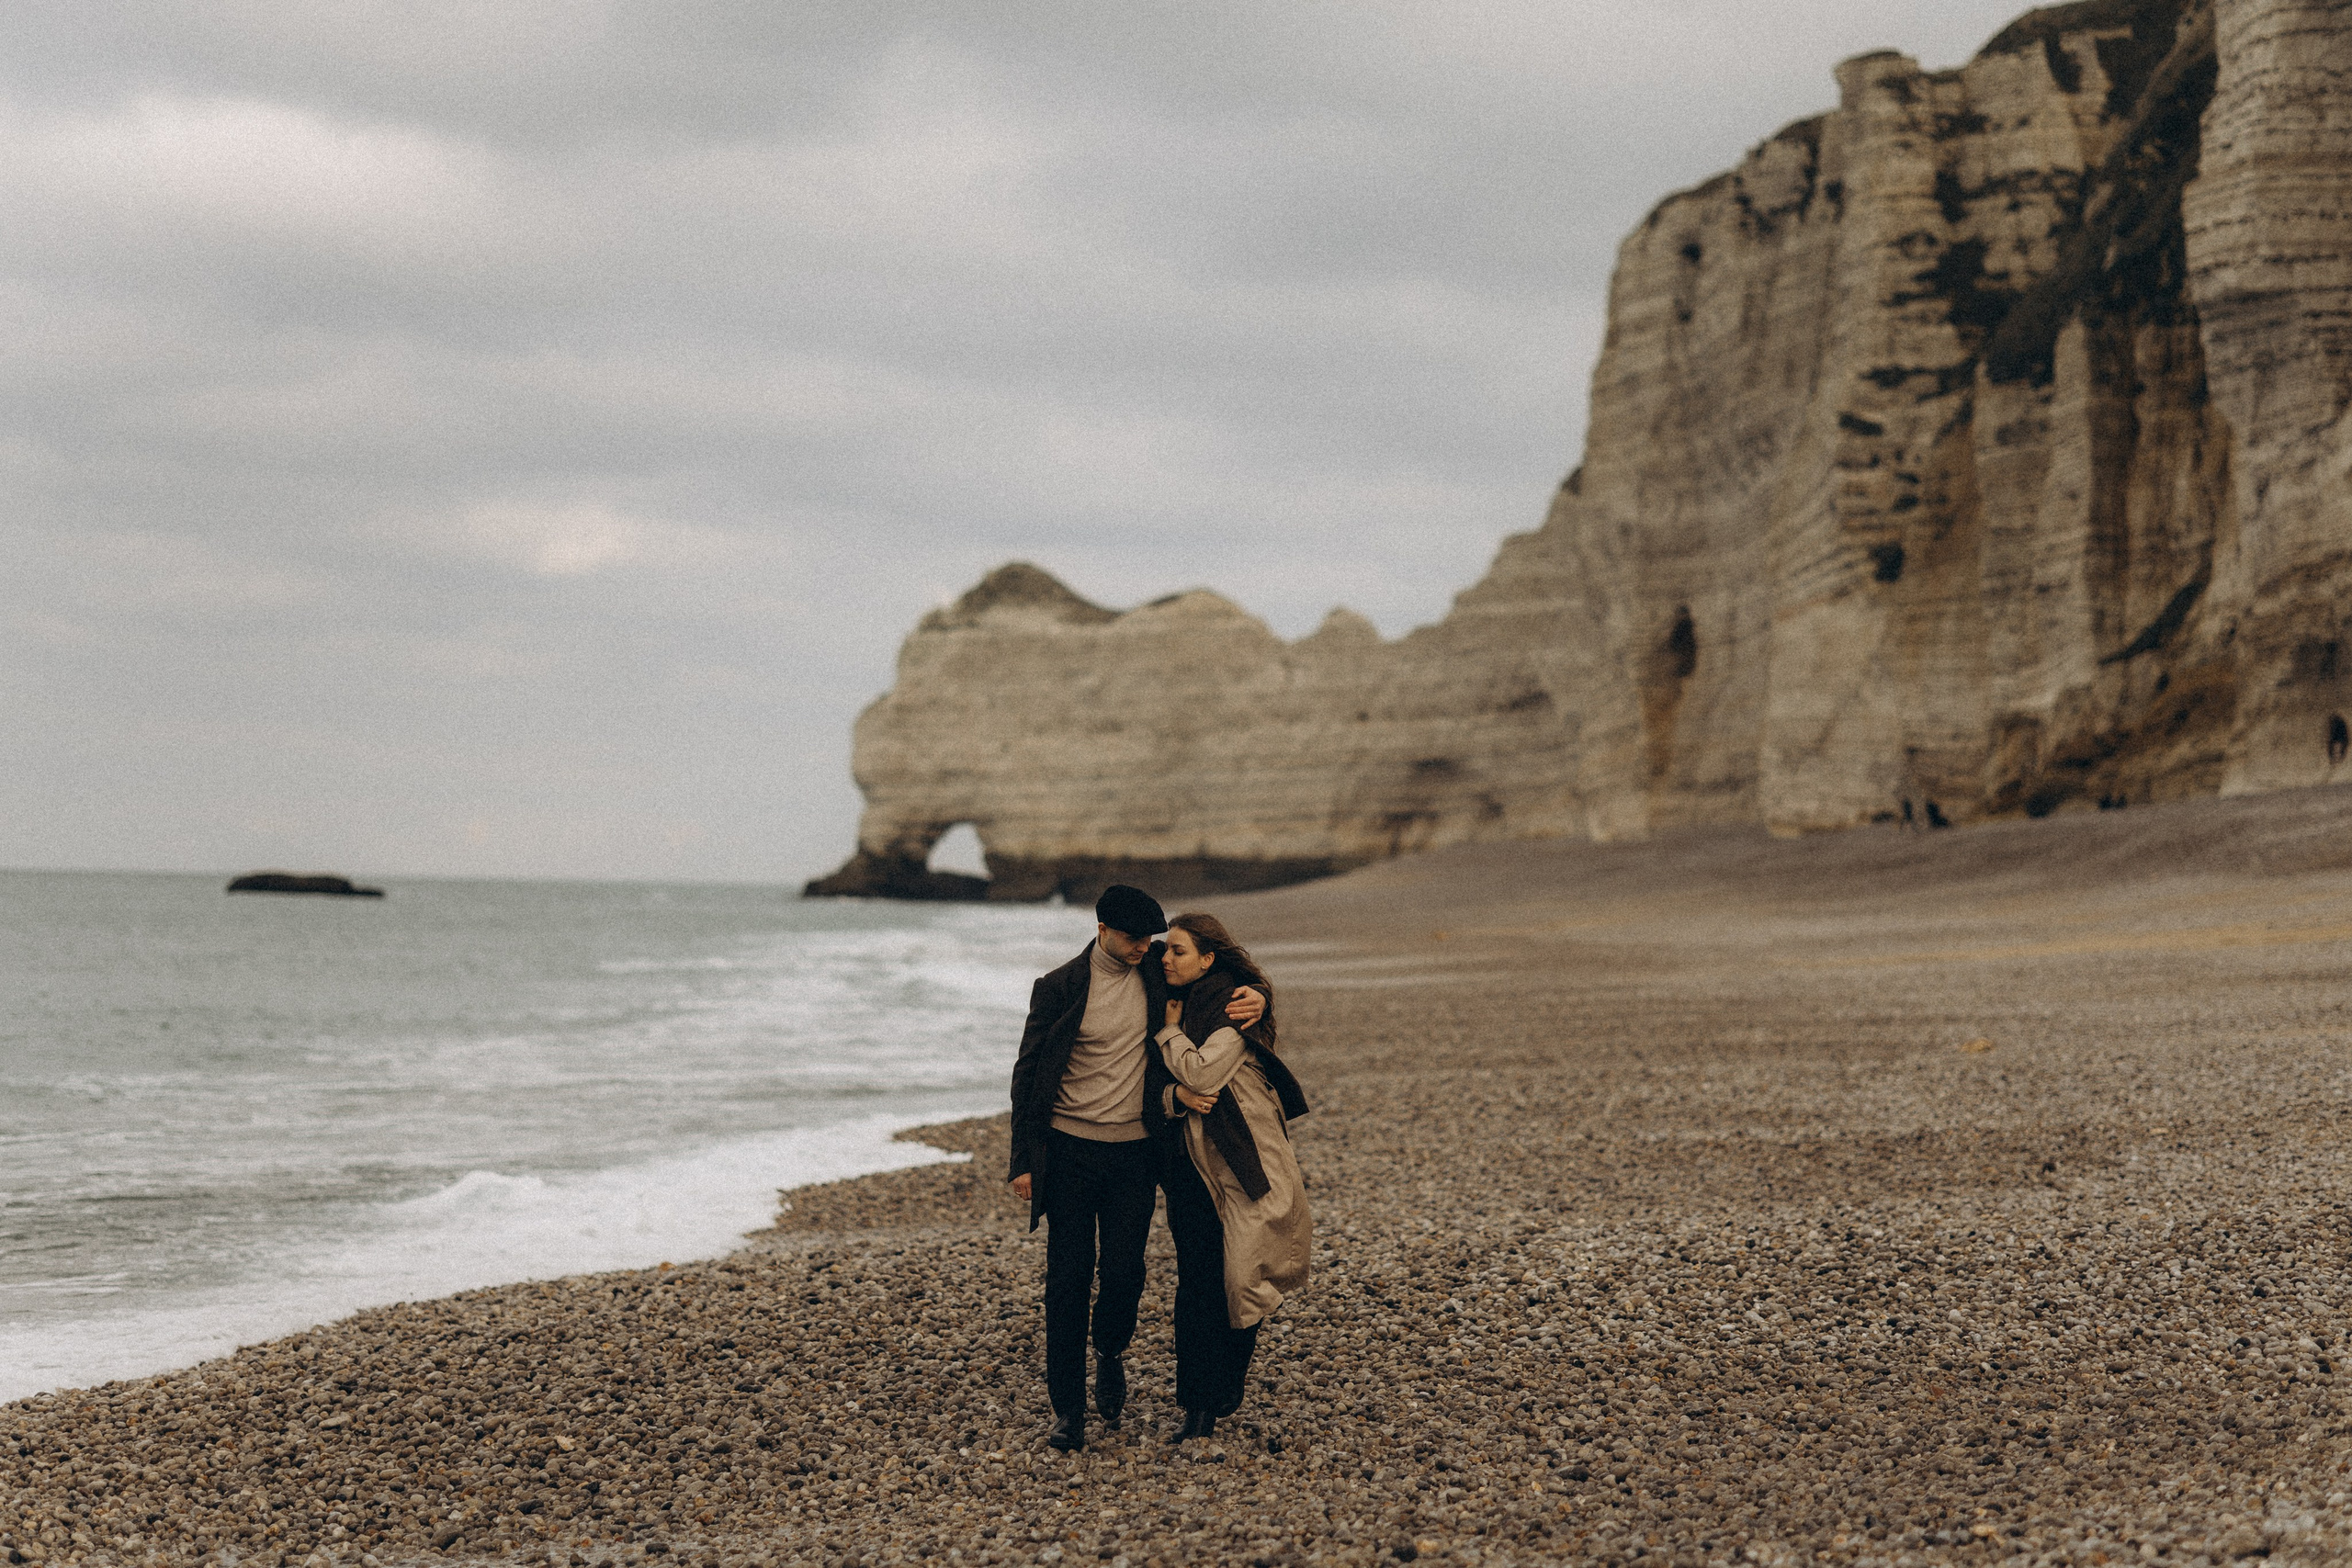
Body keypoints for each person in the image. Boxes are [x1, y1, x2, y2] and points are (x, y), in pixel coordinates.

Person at [1006, 886, 1265, 1452]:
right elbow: (1027, 1075)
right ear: (1102, 930)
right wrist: (1022, 1161)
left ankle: (1110, 1351)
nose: (1144, 948)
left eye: (1150, 940)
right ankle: (1068, 1412)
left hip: (1135, 1154)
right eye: (1131, 938)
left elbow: (1222, 973)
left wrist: (1259, 998)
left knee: (1125, 1273)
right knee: (1067, 1281)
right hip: (1069, 1151)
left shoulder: (1156, 969)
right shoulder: (1059, 987)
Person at [1143, 912, 1310, 1443]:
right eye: (1165, 950)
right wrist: (1171, 1097)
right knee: (1197, 1282)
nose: (1166, 958)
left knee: (1243, 1270)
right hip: (1185, 1167)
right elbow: (1143, 1078)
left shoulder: (1233, 999)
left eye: (1179, 951)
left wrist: (1173, 1031)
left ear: (1209, 958)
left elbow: (1204, 1072)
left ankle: (1228, 1375)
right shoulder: (1154, 988)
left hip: (1239, 1161)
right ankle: (1198, 1406)